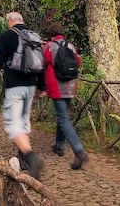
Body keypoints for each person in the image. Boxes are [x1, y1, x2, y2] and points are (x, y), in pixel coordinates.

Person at [0, 12, 45, 180]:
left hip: (14, 86)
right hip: (30, 86)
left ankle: (31, 157)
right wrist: (41, 86)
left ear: (10, 21)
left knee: (13, 125)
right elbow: (41, 62)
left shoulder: (7, 36)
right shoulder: (34, 36)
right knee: (24, 121)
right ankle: (24, 157)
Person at [38, 23, 88, 169]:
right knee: (63, 115)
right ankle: (59, 145)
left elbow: (41, 64)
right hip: (71, 86)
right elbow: (78, 61)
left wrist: (41, 87)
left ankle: (78, 150)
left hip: (57, 87)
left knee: (63, 117)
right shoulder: (70, 46)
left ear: (51, 34)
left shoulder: (49, 47)